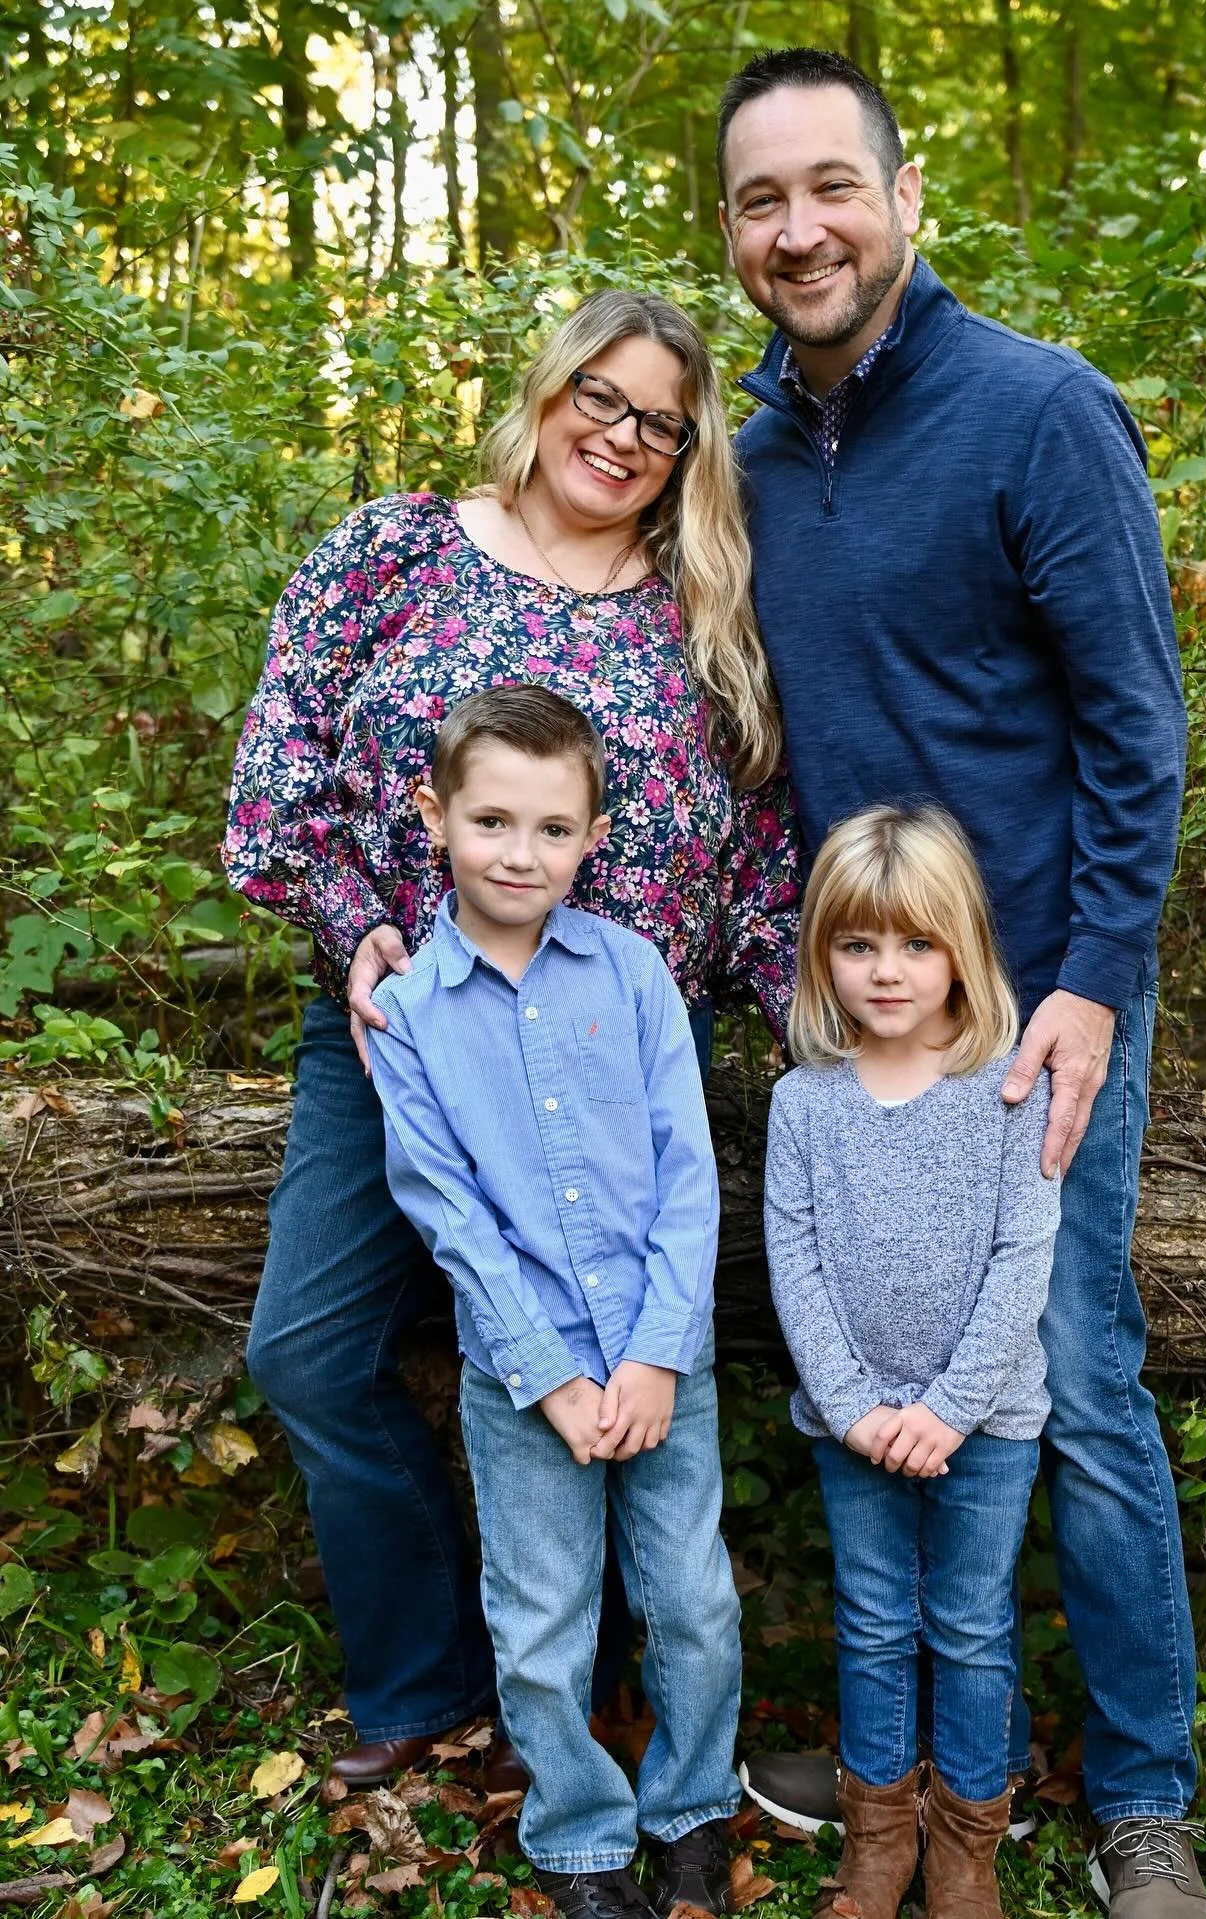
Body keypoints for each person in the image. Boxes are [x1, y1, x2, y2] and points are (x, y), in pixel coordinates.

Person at [717, 47, 1206, 1919]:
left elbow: (1136, 728)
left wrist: (1094, 978)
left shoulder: (1037, 411)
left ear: (906, 199)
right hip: (861, 1006)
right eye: (764, 200)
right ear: (735, 232)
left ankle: (1146, 1794)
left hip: (1043, 995)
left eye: (833, 185)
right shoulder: (748, 460)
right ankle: (896, 1740)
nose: (802, 228)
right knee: (851, 1346)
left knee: (1068, 1368)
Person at [223, 288, 797, 1785]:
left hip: (615, 1068)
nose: (620, 436)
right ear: (546, 390)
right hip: (405, 1033)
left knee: (609, 1374)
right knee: (303, 1348)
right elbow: (279, 781)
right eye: (599, 397)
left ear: (688, 451)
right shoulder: (392, 553)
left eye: (660, 421)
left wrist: (834, 1011)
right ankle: (427, 1669)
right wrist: (358, 922)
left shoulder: (706, 608)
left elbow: (751, 853)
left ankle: (577, 1689)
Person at [367, 686, 739, 1919]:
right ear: (434, 816)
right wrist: (554, 1375)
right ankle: (581, 1836)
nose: (520, 854)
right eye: (491, 822)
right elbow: (449, 1215)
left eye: (553, 828)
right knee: (541, 1618)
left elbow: (689, 1171)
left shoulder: (631, 973)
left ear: (592, 834)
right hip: (523, 1378)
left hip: (656, 1355)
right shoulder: (411, 1013)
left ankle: (690, 1811)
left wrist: (653, 1357)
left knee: (691, 1598)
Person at [766, 804, 1060, 1919]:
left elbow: (1020, 1260)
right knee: (875, 1618)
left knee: (973, 1624)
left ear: (962, 950)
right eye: (858, 944)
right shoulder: (806, 1103)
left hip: (982, 1426)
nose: (887, 971)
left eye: (917, 943)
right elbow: (793, 1259)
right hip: (857, 1427)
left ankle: (966, 1855)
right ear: (822, 954)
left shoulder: (1005, 1090)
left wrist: (947, 1409)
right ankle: (879, 1840)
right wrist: (853, 1407)